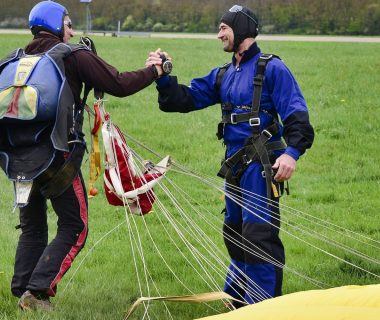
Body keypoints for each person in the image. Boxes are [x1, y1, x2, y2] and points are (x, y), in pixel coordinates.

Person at [0, 0, 164, 311]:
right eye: (68, 24)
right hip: (57, 158)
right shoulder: (72, 56)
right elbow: (119, 83)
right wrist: (155, 70)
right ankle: (36, 293)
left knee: (33, 226)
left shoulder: (12, 60)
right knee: (75, 225)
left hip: (17, 159)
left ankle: (22, 289)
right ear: (54, 25)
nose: (72, 31)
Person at [146, 5, 314, 306]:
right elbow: (185, 99)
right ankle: (236, 296)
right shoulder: (224, 74)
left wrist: (292, 153)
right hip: (235, 165)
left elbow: (297, 113)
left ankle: (261, 304)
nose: (219, 34)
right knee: (234, 232)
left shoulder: (271, 67)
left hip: (262, 166)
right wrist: (163, 75)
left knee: (257, 234)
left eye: (224, 27)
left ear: (242, 30)